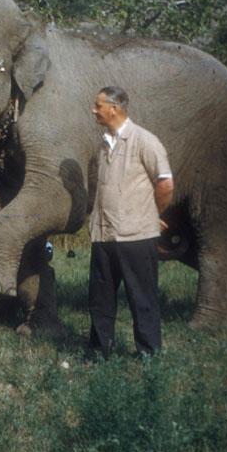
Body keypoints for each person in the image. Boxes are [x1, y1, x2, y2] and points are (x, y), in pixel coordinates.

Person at [87, 86, 173, 357]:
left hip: (136, 237)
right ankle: (100, 352)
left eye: (98, 105)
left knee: (142, 298)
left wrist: (152, 215)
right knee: (100, 298)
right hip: (104, 236)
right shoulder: (103, 145)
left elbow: (165, 183)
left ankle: (148, 354)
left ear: (114, 108)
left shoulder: (145, 141)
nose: (93, 110)